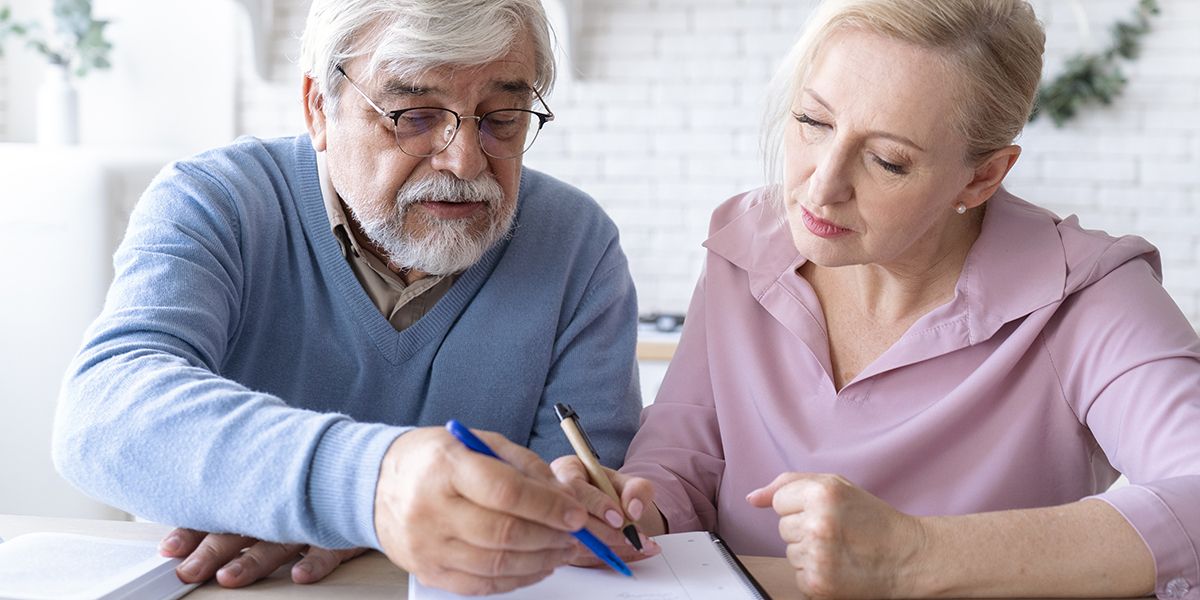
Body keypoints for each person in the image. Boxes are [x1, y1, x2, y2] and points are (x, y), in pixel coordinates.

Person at [553, 0, 1200, 598]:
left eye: (888, 161)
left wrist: (913, 555)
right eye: (812, 121)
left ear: (982, 177)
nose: (822, 187)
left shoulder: (1087, 294)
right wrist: (633, 509)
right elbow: (680, 457)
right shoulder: (745, 247)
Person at [52, 0, 642, 595]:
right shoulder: (217, 199)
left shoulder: (578, 244)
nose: (465, 161)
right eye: (411, 114)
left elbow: (566, 516)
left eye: (503, 116)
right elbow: (102, 415)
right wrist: (367, 489)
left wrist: (344, 513)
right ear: (318, 109)